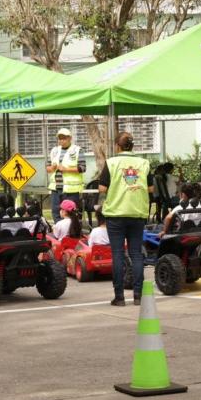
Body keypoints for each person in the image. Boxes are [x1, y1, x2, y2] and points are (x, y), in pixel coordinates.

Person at [98, 132, 152, 307]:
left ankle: (119, 297)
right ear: (132, 146)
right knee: (136, 254)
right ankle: (138, 295)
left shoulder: (112, 162)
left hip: (116, 214)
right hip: (137, 213)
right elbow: (151, 189)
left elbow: (101, 188)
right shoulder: (144, 163)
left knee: (118, 254)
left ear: (117, 146)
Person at [46, 128, 86, 222]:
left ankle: (71, 233)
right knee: (56, 213)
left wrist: (66, 169)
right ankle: (60, 232)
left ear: (70, 138)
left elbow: (83, 168)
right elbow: (48, 168)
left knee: (71, 214)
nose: (61, 140)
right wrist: (52, 168)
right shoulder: (54, 150)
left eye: (64, 138)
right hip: (56, 189)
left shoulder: (77, 150)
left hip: (71, 190)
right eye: (59, 138)